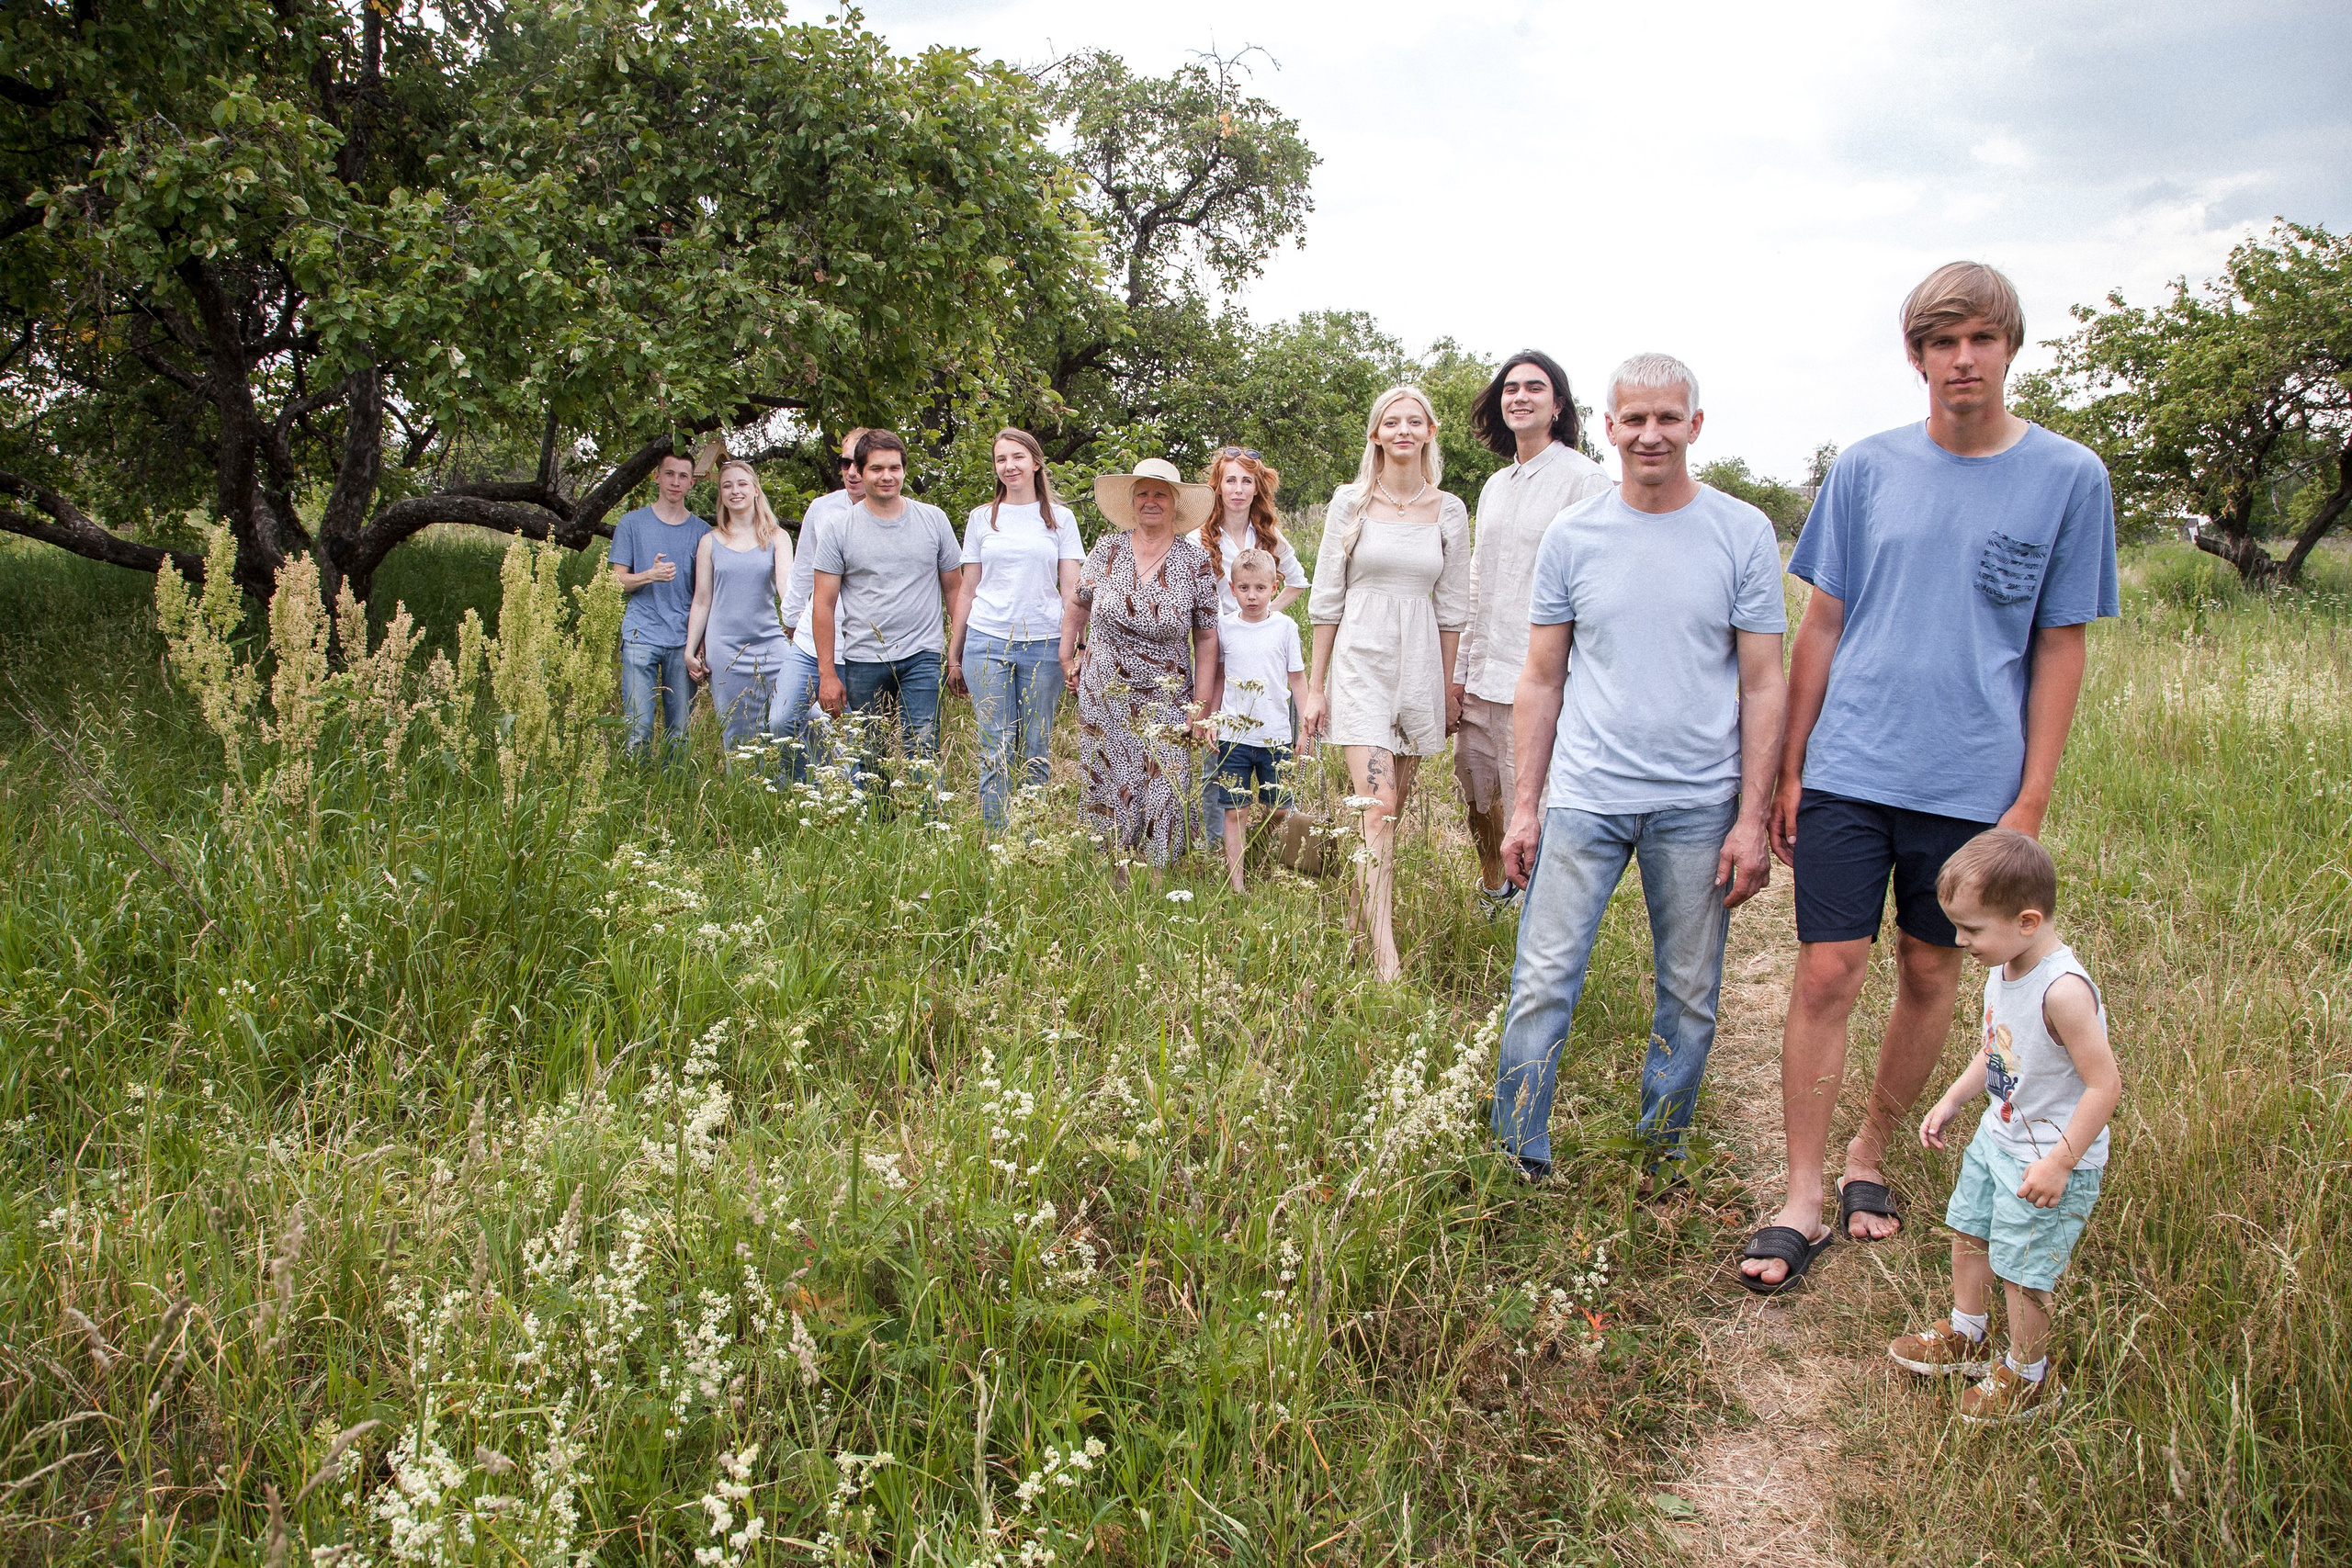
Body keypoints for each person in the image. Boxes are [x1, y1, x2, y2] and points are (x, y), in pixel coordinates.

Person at [1741, 262, 2120, 1289]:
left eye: (1981, 339)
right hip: (1851, 768)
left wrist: (2029, 798)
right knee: (1827, 971)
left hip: (1971, 786)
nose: (1962, 359)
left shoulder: (2069, 477)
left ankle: (1870, 1152)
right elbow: (1822, 623)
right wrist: (1791, 766)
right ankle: (1802, 1193)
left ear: (2009, 348)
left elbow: (2059, 645)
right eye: (1942, 341)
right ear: (1915, 357)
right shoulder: (1865, 469)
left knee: (1929, 970)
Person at [1490, 354, 1788, 1187]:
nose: (1650, 434)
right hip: (1585, 795)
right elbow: (1541, 678)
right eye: (1635, 419)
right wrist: (1526, 806)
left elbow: (1765, 682)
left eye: (1667, 418)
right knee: (1542, 980)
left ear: (1695, 425)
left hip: (1698, 800)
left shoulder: (1742, 532)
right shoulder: (1574, 535)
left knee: (1688, 993)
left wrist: (1751, 819)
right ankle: (1517, 1152)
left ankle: (1660, 1153)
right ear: (1609, 426)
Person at [1886, 829, 2119, 1424]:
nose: (1959, 941)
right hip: (1998, 1138)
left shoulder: (2063, 992)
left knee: (2023, 1270)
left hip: (2044, 1157)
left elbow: (2105, 1086)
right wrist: (1954, 1098)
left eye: (1971, 929)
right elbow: (1996, 1050)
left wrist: (2060, 1161)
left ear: (2026, 920)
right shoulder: (2007, 965)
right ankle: (1967, 1333)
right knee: (1969, 1229)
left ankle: (2028, 1376)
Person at [1303, 385, 1474, 982]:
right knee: (1378, 806)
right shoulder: (1349, 503)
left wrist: (1448, 688)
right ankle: (1386, 962)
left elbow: (1452, 609)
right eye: (1392, 421)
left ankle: (1357, 925)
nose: (1404, 430)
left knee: (1388, 815)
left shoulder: (1449, 510)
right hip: (1361, 664)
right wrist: (1315, 687)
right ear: (1376, 434)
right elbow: (1326, 599)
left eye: (1415, 421)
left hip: (1419, 666)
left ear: (1430, 432)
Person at [1450, 351, 1611, 918]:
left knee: (1535, 806)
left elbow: (1597, 586)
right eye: (1510, 388)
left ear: (1558, 404)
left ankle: (1541, 915)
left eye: (1535, 388)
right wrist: (1459, 672)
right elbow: (1478, 581)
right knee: (1477, 794)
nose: (1520, 396)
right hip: (1483, 673)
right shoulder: (1496, 485)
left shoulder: (1583, 479)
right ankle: (1495, 889)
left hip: (1542, 678)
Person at [1063, 457, 1221, 882]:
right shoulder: (1106, 550)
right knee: (1110, 784)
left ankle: (1156, 883)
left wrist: (1200, 708)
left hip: (1167, 699)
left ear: (1175, 503)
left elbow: (1207, 637)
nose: (1151, 501)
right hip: (1105, 697)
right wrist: (1068, 654)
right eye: (1143, 494)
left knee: (1164, 787)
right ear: (1132, 502)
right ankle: (1113, 881)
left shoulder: (1195, 560)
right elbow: (1078, 603)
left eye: (1160, 494)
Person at [945, 428, 1086, 830]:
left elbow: (1072, 591)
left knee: (1035, 748)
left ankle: (1029, 840)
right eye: (1001, 459)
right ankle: (997, 839)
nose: (1009, 466)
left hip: (1043, 643)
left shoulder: (1060, 519)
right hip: (987, 641)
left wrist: (1077, 647)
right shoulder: (981, 518)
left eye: (1018, 457)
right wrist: (954, 651)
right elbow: (968, 588)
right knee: (996, 748)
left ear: (1036, 462)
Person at [810, 430, 962, 784]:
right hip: (863, 658)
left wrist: (957, 655)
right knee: (870, 758)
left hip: (922, 654)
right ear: (860, 472)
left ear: (904, 470)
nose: (887, 476)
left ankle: (925, 817)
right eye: (877, 469)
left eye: (894, 468)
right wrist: (827, 674)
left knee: (922, 751)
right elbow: (823, 604)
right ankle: (878, 817)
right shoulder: (838, 528)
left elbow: (955, 590)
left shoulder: (933, 520)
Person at [1186, 446, 1309, 848]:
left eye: (1246, 481)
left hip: (1259, 651)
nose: (1238, 489)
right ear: (1218, 487)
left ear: (1257, 488)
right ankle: (1214, 844)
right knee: (1217, 750)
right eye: (1230, 480)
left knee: (1271, 748)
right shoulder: (1199, 537)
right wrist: (1218, 624)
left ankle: (1266, 843)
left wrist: (1264, 615)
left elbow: (1297, 581)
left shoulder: (1268, 536)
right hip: (1215, 646)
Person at [1204, 548, 1309, 893]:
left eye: (1261, 588)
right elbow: (1218, 677)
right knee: (1235, 811)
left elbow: (1297, 679)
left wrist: (1306, 726)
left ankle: (1259, 849)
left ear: (1274, 588)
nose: (1252, 596)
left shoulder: (1285, 628)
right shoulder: (1225, 627)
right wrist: (1212, 719)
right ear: (1232, 588)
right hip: (1233, 736)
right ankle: (1237, 884)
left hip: (1274, 736)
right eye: (1245, 588)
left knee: (1278, 808)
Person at [684, 460, 795, 761]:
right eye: (727, 485)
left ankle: (793, 781)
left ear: (756, 490)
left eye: (742, 484)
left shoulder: (777, 537)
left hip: (770, 642)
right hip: (725, 648)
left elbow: (786, 590)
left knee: (796, 715)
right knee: (738, 731)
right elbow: (702, 599)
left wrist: (803, 630)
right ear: (721, 494)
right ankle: (743, 787)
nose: (735, 491)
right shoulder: (709, 542)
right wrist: (690, 650)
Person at [776, 428, 868, 778]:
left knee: (860, 742)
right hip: (811, 640)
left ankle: (851, 798)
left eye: (859, 463)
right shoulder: (822, 508)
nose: (851, 472)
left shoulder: (892, 512)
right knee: (782, 721)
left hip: (861, 647)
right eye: (845, 463)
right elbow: (802, 570)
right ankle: (808, 788)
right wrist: (791, 618)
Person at [608, 449, 710, 756]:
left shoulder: (703, 533)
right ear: (656, 477)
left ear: (692, 482)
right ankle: (634, 782)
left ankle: (674, 785)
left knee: (679, 731)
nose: (675, 482)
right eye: (669, 474)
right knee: (637, 727)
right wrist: (649, 575)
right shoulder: (631, 524)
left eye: (682, 476)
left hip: (682, 639)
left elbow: (705, 596)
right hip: (641, 634)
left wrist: (700, 644)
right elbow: (615, 581)